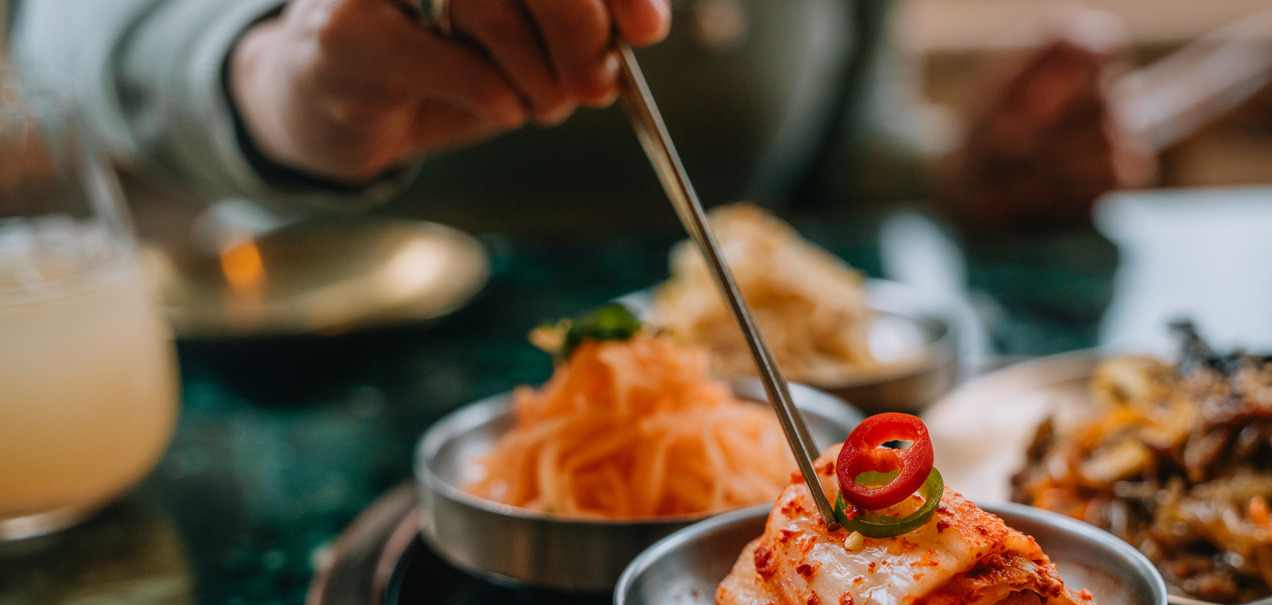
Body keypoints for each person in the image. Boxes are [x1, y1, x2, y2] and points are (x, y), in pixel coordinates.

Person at [8, 0, 1147, 237]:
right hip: (319, 401)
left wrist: (960, 173)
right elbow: (62, 31)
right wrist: (277, 74)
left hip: (735, 433)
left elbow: (832, 138)